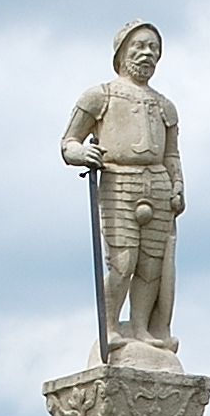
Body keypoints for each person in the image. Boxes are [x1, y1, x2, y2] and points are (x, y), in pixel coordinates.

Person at [62, 22, 183, 362]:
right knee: (123, 260)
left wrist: (178, 185)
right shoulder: (100, 95)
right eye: (139, 46)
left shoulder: (165, 106)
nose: (147, 54)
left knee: (151, 264)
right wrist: (81, 153)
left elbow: (172, 153)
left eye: (153, 48)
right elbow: (69, 142)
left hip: (157, 183)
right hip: (119, 179)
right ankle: (111, 325)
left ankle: (142, 328)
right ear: (122, 51)